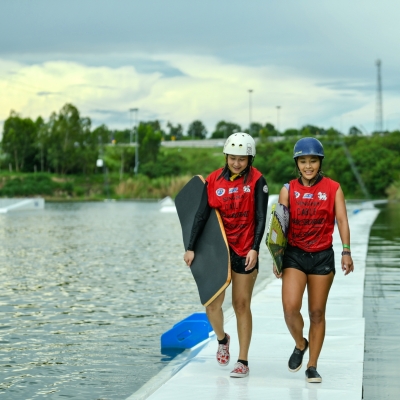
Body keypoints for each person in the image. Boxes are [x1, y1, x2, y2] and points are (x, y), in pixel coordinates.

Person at [184, 132, 269, 378]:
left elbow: (261, 217)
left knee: (241, 304)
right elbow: (201, 216)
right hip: (217, 250)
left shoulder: (258, 181)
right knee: (212, 304)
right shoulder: (213, 181)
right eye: (233, 158)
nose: (237, 163)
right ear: (226, 156)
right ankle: (222, 339)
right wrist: (190, 247)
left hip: (245, 249)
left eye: (242, 159)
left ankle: (243, 360)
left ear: (250, 159)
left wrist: (255, 247)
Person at [273, 137, 354, 383]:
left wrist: (346, 251)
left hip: (322, 257)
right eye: (303, 161)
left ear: (320, 163)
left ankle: (312, 365)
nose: (308, 166)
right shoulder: (288, 189)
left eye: (313, 161)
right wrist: (277, 258)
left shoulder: (333, 188)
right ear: (297, 163)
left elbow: (341, 220)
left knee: (317, 312)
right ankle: (300, 343)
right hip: (294, 255)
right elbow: (280, 226)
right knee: (290, 309)